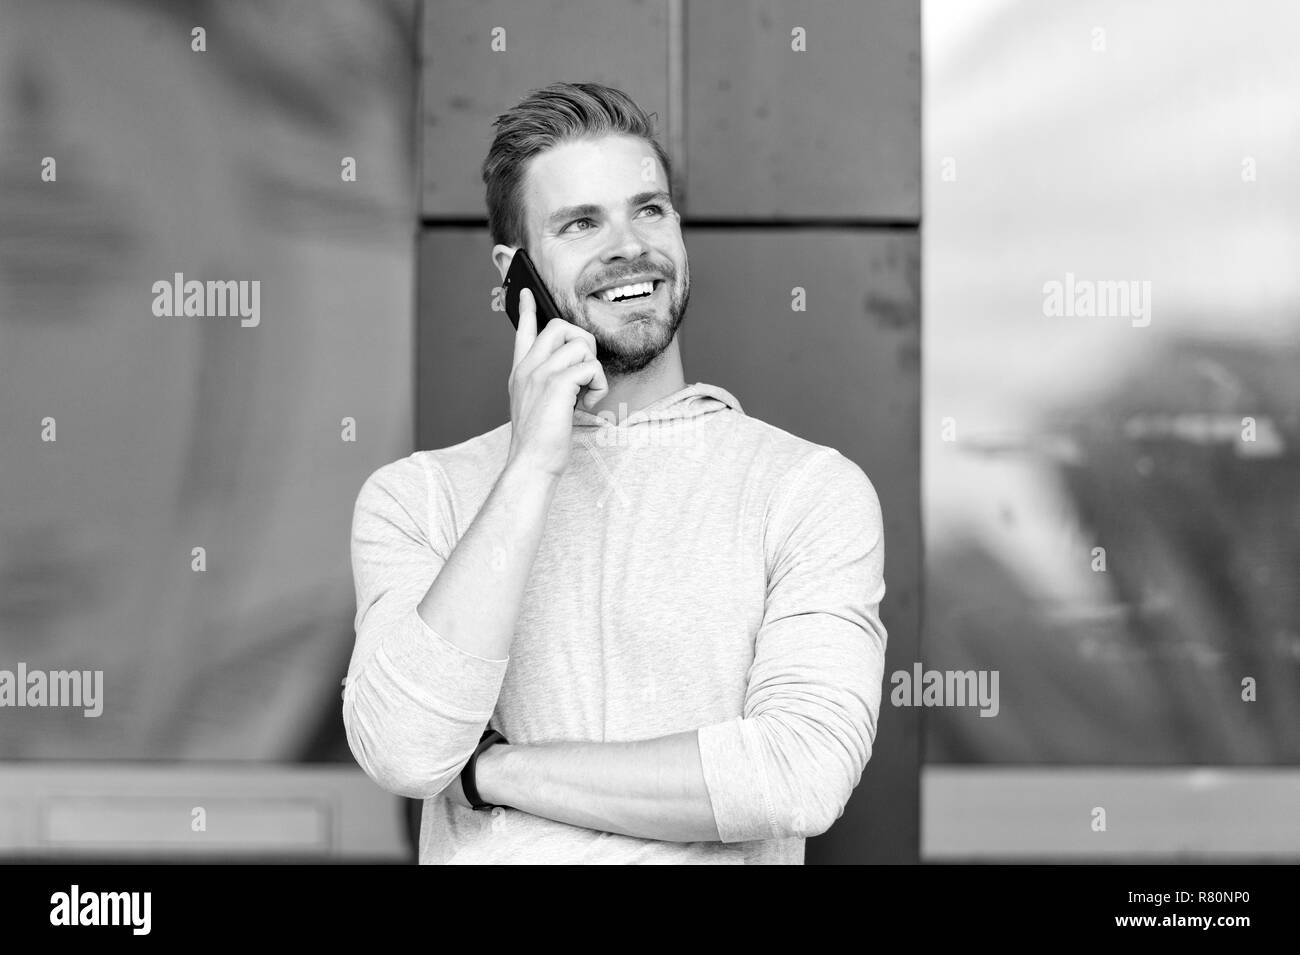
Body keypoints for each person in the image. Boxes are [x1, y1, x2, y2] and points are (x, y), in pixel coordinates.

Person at [342, 81, 888, 864]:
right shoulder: (416, 498)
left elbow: (798, 774)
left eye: (650, 209)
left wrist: (495, 770)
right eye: (581, 223)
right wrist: (532, 463)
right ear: (514, 273)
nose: (630, 245)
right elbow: (405, 749)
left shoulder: (807, 490)